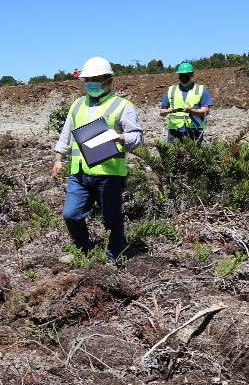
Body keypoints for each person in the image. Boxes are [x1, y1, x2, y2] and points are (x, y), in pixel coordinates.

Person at [51, 56, 143, 260]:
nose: (91, 84)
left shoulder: (123, 106)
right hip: (80, 172)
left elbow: (137, 137)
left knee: (112, 219)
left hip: (109, 174)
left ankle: (116, 256)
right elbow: (66, 133)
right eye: (88, 80)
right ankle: (85, 249)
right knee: (71, 215)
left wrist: (118, 137)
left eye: (97, 79)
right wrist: (59, 158)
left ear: (108, 80)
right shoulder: (77, 105)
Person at [157, 62, 212, 143]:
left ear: (192, 75)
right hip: (174, 131)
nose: (183, 77)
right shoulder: (171, 90)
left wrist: (191, 111)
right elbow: (162, 112)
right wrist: (167, 111)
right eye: (181, 75)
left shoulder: (201, 90)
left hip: (195, 129)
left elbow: (206, 111)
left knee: (193, 155)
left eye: (186, 75)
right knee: (174, 155)